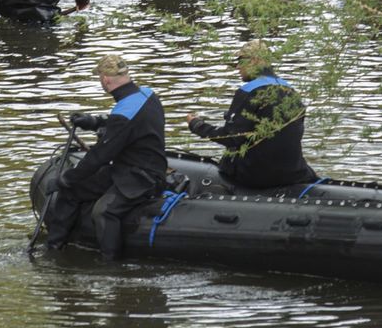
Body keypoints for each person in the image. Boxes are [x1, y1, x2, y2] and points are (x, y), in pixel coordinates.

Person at [45, 55, 167, 260]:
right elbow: (126, 126)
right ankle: (54, 247)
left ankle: (110, 265)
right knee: (72, 191)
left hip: (140, 178)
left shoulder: (124, 113)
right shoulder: (147, 95)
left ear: (105, 79)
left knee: (104, 212)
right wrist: (94, 122)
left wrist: (65, 178)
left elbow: (100, 156)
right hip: (129, 168)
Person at [187, 40, 316, 188]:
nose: (237, 66)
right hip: (293, 173)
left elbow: (231, 137)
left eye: (241, 61)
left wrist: (197, 125)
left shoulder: (249, 91)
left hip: (256, 176)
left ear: (255, 60)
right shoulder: (291, 91)